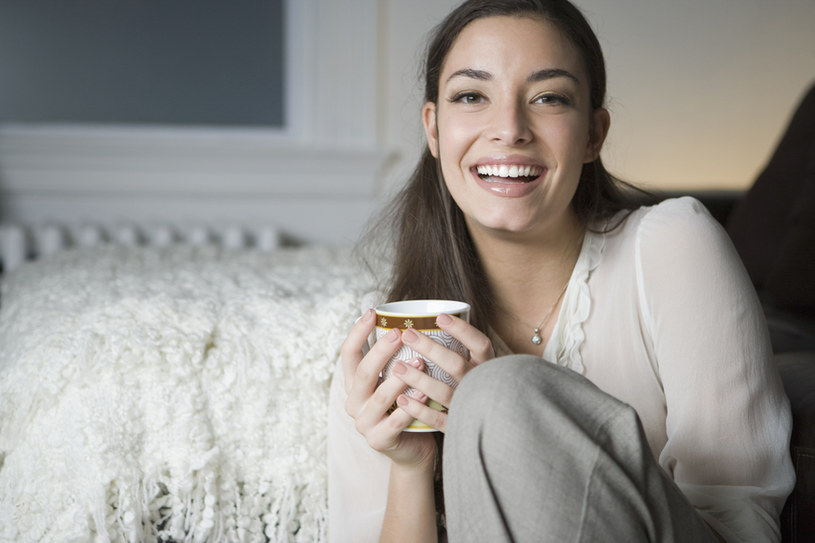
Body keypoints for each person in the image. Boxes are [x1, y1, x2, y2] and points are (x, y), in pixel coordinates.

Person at [328, 0, 795, 541]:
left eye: (548, 97)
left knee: (500, 391)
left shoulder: (673, 247)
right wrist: (414, 467)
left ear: (594, 134)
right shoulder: (385, 352)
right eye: (472, 96)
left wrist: (501, 416)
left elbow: (743, 523)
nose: (509, 129)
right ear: (434, 129)